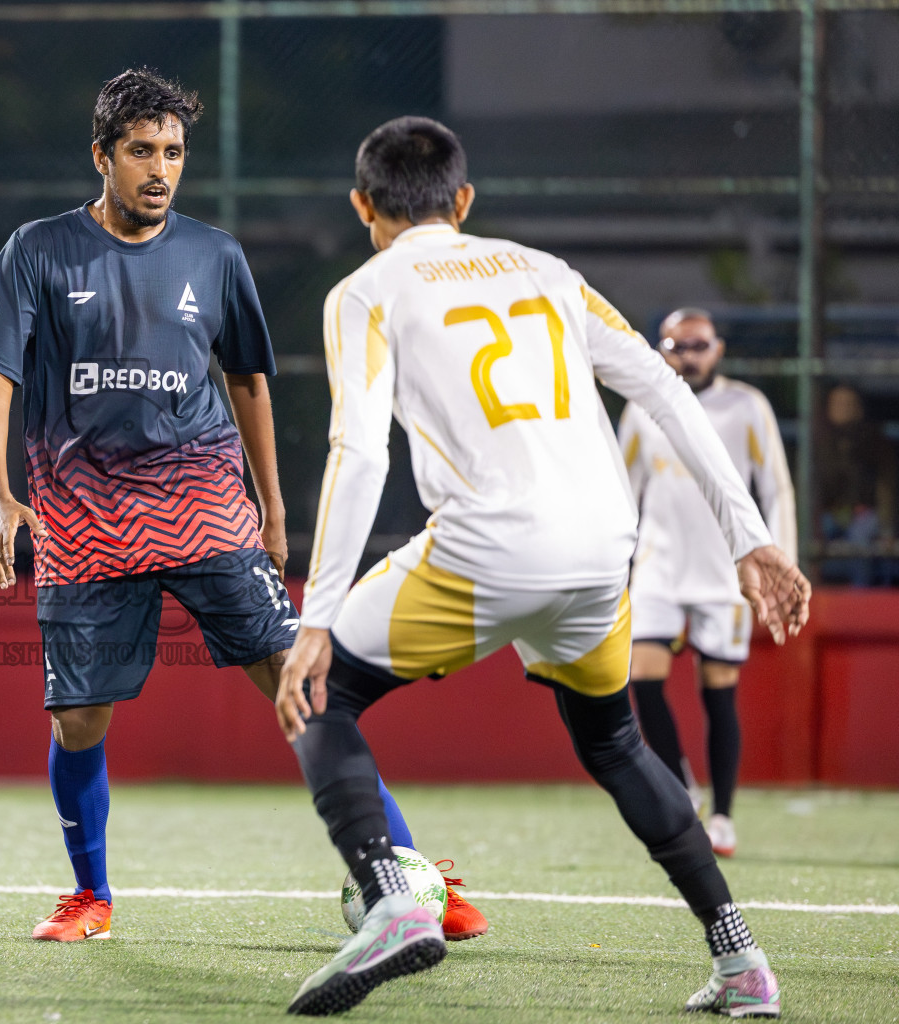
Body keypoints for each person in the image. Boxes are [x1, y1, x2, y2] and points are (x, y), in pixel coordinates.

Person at [274, 116, 809, 1016]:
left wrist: (317, 616)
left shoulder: (365, 291)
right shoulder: (547, 271)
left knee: (318, 694)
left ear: (363, 204)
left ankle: (392, 896)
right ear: (466, 200)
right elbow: (664, 390)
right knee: (617, 743)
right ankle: (741, 961)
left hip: (489, 545)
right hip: (605, 550)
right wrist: (751, 537)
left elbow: (358, 454)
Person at [0, 71, 485, 945]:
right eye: (140, 152)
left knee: (301, 686)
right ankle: (90, 895)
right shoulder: (38, 250)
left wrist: (273, 507)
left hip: (206, 505)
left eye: (172, 152)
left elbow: (247, 381)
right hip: (83, 517)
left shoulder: (215, 254)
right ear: (102, 157)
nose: (159, 169)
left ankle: (407, 872)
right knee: (78, 718)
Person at [617, 308, 798, 858]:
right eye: (675, 345)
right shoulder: (644, 405)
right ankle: (682, 785)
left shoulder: (747, 406)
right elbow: (625, 489)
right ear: (660, 350)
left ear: (717, 348)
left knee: (719, 689)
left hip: (727, 570)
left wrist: (779, 562)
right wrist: (614, 565)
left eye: (697, 345)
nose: (687, 355)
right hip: (659, 565)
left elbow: (777, 488)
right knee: (642, 679)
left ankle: (722, 816)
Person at [814, 383, 897, 586]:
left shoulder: (878, 443)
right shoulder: (818, 445)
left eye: (849, 404)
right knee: (816, 531)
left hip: (865, 514)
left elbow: (887, 488)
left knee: (860, 536)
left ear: (860, 409)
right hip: (830, 513)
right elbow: (812, 490)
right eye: (838, 404)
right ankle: (810, 589)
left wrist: (887, 530)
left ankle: (858, 596)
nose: (843, 409)